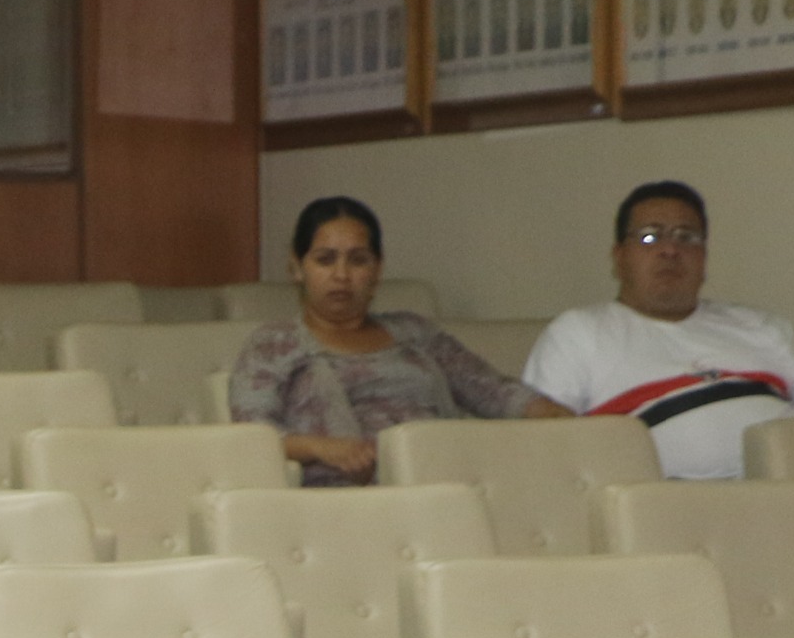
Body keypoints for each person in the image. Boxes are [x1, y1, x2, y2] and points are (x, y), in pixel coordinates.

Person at [522, 181, 794, 480]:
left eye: (687, 237)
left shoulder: (760, 326)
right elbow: (546, 448)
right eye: (650, 236)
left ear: (704, 257)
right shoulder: (578, 332)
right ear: (619, 257)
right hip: (664, 504)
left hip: (789, 494)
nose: (670, 250)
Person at [228, 196, 567, 485]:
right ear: (297, 268)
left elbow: (492, 391)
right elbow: (252, 437)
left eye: (358, 260)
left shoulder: (415, 333)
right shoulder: (274, 344)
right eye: (325, 260)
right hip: (342, 498)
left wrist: (554, 415)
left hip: (444, 479)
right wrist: (320, 447)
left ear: (377, 271)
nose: (341, 275)